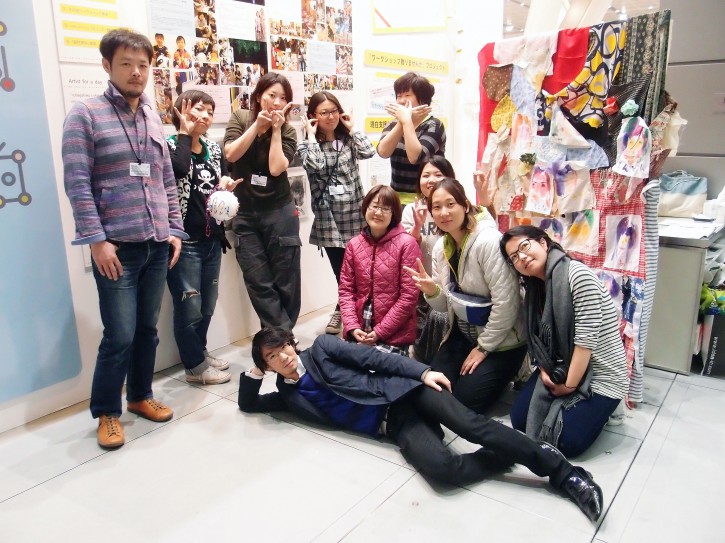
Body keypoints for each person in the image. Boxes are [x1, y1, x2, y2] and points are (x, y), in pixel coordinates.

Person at [238, 327, 604, 522]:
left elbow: (373, 359)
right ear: (267, 366)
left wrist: (423, 372)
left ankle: (565, 474)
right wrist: (254, 369)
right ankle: (507, 452)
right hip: (394, 426)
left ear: (292, 342)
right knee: (443, 471)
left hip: (406, 392)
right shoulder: (287, 395)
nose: (283, 357)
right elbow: (249, 403)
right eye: (272, 357)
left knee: (472, 426)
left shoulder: (321, 348)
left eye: (283, 348)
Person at [62, 29, 187, 449]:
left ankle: (139, 396)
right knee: (119, 334)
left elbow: (165, 178)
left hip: (156, 244)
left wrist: (173, 230)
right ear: (107, 66)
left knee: (147, 329)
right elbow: (78, 184)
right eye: (126, 64)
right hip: (117, 248)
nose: (136, 72)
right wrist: (97, 240)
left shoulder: (152, 115)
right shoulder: (85, 115)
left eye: (143, 65)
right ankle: (107, 412)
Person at [500, 226, 629, 457]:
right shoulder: (534, 288)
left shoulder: (577, 275)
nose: (522, 257)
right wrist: (543, 371)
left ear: (543, 242)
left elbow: (585, 342)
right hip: (559, 365)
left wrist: (568, 386)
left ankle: (606, 409)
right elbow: (540, 341)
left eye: (524, 246)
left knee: (567, 441)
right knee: (520, 419)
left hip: (600, 375)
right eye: (514, 257)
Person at [405, 179, 526, 414]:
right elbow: (444, 306)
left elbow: (507, 304)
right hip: (462, 334)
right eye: (437, 207)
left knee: (464, 403)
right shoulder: (441, 247)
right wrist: (432, 291)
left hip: (502, 341)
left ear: (465, 205)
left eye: (450, 204)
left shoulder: (489, 242)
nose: (444, 212)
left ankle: (509, 373)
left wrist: (483, 348)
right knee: (433, 389)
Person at [166, 90, 243, 386]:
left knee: (207, 305)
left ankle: (199, 352)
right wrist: (185, 135)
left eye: (209, 112)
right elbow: (178, 169)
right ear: (180, 111)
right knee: (189, 306)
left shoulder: (213, 147)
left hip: (212, 238)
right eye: (197, 109)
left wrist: (226, 184)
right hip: (183, 242)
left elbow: (221, 179)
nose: (205, 116)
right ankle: (194, 367)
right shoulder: (168, 145)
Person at [224, 72, 299, 330]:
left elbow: (276, 168)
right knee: (257, 280)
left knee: (286, 278)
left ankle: (280, 338)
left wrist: (276, 130)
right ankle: (279, 338)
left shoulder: (288, 130)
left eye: (283, 98)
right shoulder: (241, 117)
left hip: (280, 211)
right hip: (244, 213)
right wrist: (257, 126)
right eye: (272, 95)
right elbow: (231, 154)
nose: (277, 102)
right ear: (258, 96)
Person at [297, 91, 375, 335]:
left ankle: (349, 311)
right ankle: (345, 311)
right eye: (324, 113)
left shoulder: (348, 139)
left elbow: (369, 151)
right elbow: (316, 165)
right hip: (329, 219)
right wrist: (311, 136)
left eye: (334, 111)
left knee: (360, 271)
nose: (331, 117)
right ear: (313, 116)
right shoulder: (306, 145)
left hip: (355, 214)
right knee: (341, 272)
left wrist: (353, 127)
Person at [339, 186, 422, 355]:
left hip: (394, 334)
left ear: (394, 214)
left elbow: (409, 296)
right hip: (359, 331)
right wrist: (352, 326)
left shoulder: (407, 244)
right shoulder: (354, 245)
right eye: (374, 206)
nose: (378, 212)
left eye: (385, 208)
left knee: (376, 369)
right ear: (366, 208)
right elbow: (346, 291)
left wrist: (380, 331)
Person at [401, 156, 454, 362]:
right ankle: (421, 360)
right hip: (420, 282)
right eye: (426, 175)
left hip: (447, 282)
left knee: (443, 324)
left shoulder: (451, 208)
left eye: (438, 174)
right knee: (420, 329)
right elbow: (406, 248)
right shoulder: (411, 209)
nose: (431, 180)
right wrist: (417, 225)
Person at [376, 72, 446, 206]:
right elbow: (383, 152)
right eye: (399, 96)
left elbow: (416, 157)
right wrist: (402, 122)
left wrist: (406, 120)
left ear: (422, 99)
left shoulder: (434, 125)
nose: (401, 100)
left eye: (407, 95)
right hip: (396, 199)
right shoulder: (393, 124)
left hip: (427, 198)